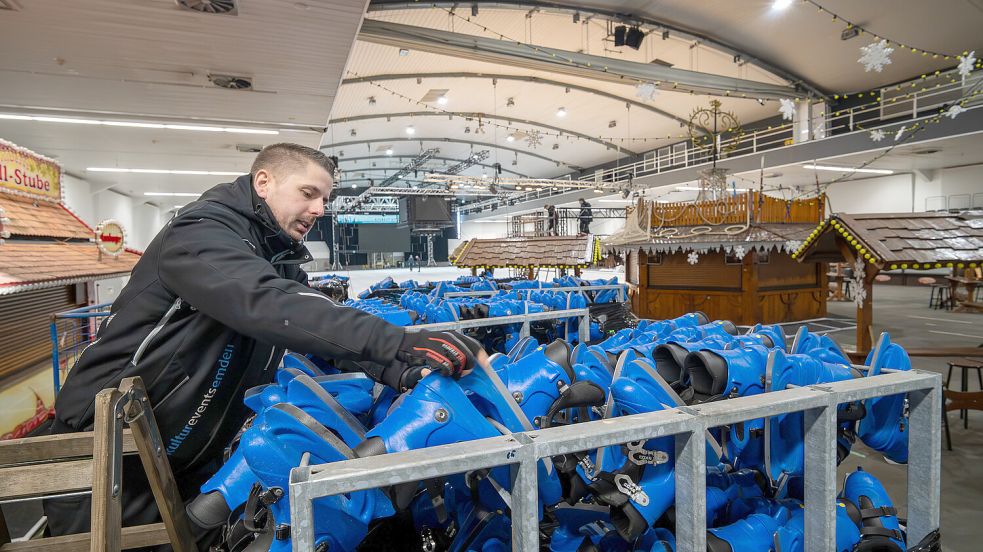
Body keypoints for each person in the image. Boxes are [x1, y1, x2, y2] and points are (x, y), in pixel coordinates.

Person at [44, 143, 487, 541]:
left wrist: (401, 368)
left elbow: (316, 324)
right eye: (308, 193)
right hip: (108, 449)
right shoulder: (200, 235)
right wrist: (394, 343)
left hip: (183, 446)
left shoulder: (275, 258)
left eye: (325, 199)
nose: (318, 209)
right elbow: (267, 304)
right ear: (264, 182)